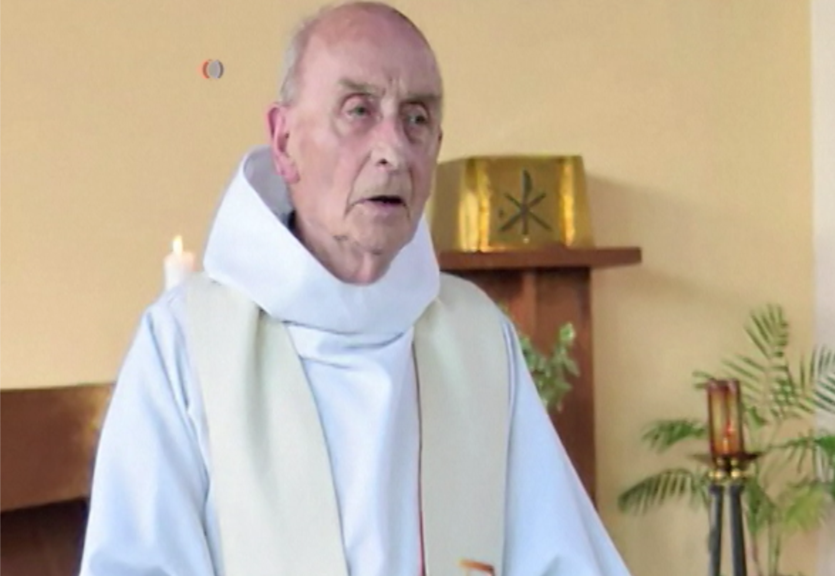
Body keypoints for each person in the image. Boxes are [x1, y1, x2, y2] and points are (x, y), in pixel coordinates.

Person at [78, 2, 632, 575]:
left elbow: (560, 559)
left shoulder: (477, 338)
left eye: (416, 118)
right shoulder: (185, 344)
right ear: (285, 140)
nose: (393, 151)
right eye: (359, 110)